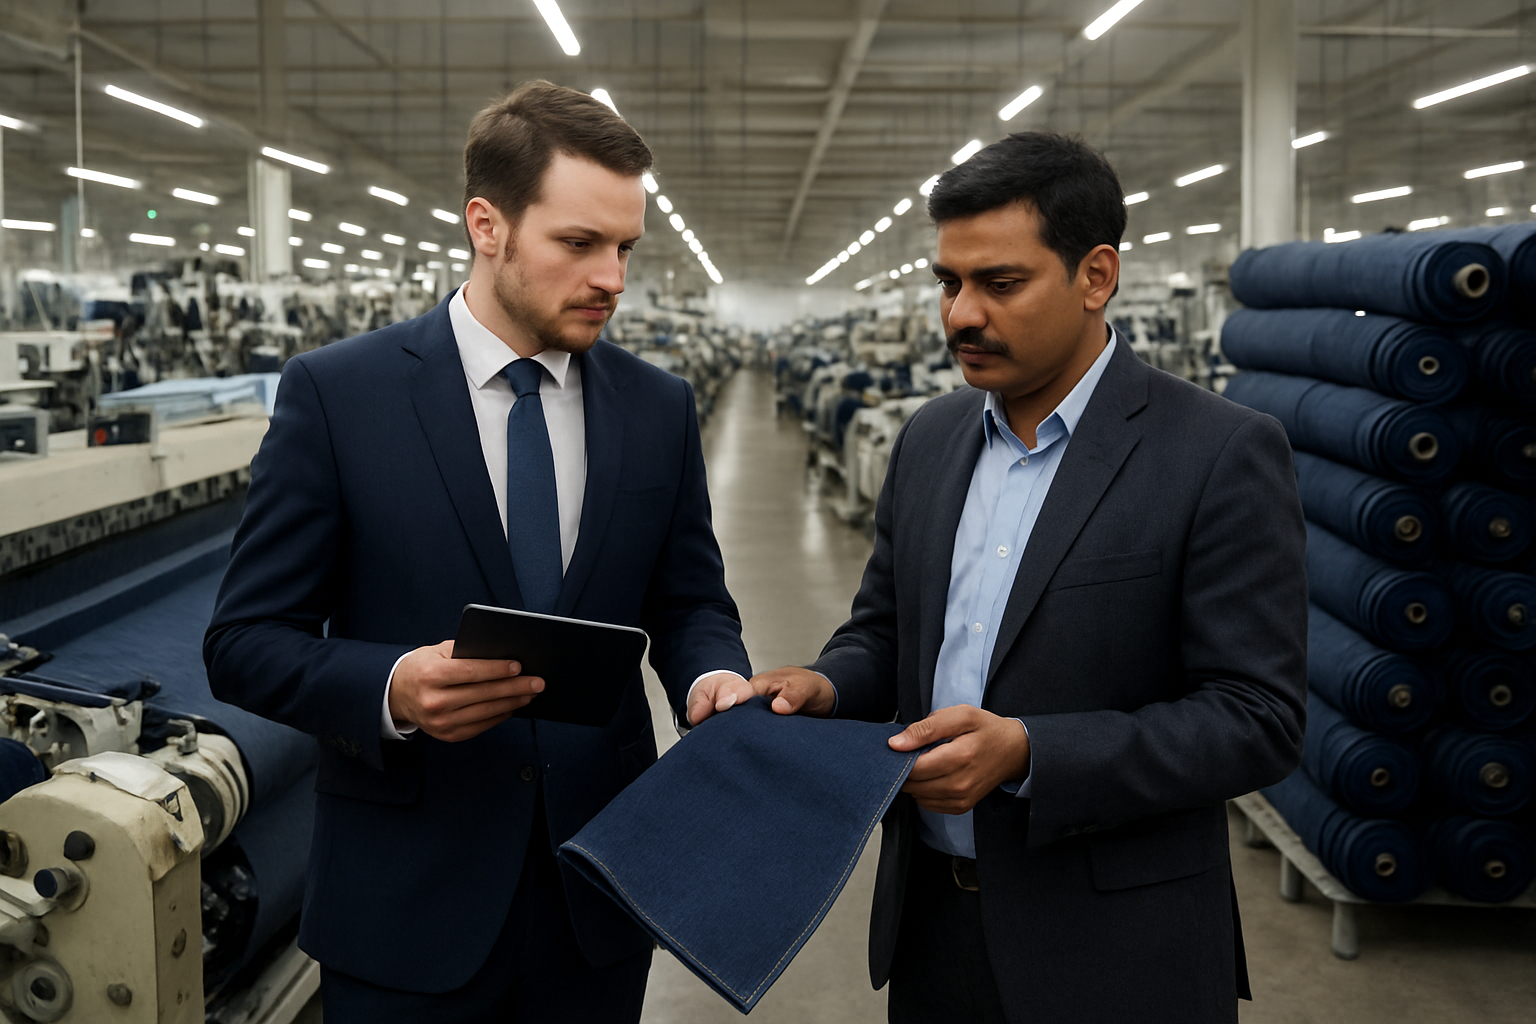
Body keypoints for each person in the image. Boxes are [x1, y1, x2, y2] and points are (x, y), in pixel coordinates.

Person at [692, 131, 1307, 1023]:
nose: (960, 316)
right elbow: (886, 631)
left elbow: (1258, 718)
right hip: (935, 931)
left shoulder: (1216, 454)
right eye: (949, 283)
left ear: (1096, 276)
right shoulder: (932, 440)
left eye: (1000, 284)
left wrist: (1030, 753)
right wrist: (825, 685)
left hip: (1118, 951)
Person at [205, 81, 751, 1022]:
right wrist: (391, 689)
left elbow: (690, 599)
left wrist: (713, 677)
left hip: (601, 895)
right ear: (486, 225)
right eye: (579, 244)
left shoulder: (657, 408)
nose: (613, 278)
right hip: (406, 906)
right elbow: (245, 639)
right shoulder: (341, 397)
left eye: (625, 248)